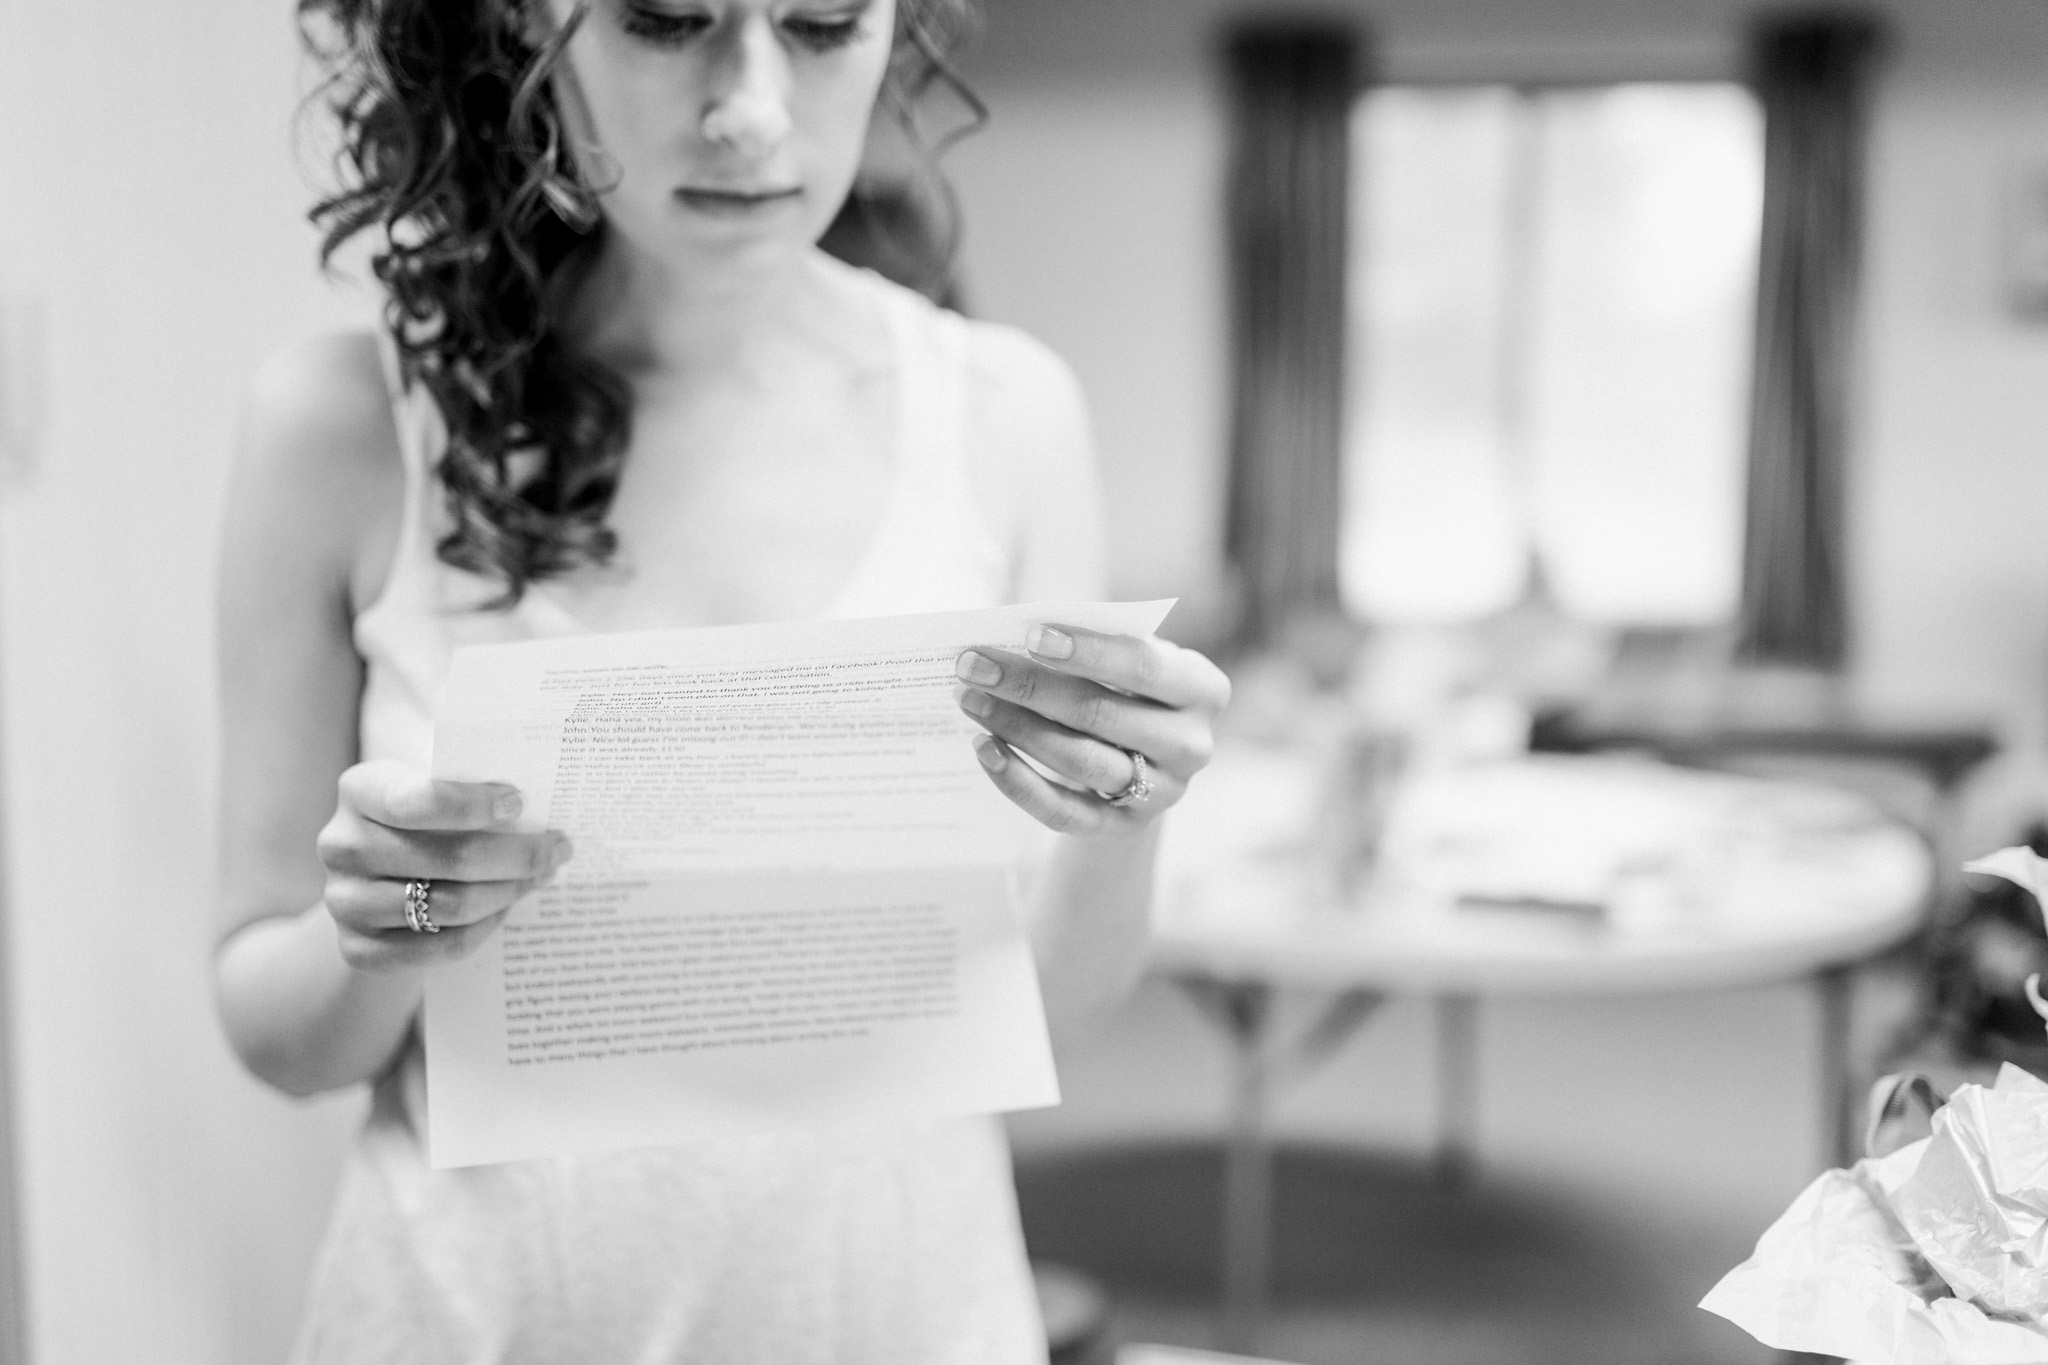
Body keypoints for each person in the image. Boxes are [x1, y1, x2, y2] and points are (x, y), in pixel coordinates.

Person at [210, 0, 1231, 1360]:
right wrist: (382, 930)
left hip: (905, 1312)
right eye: (664, 19)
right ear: (530, 30)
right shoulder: (343, 428)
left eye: (819, 26)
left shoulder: (1002, 417)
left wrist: (1129, 810)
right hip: (478, 1318)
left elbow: (1045, 1013)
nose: (749, 107)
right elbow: (276, 1033)